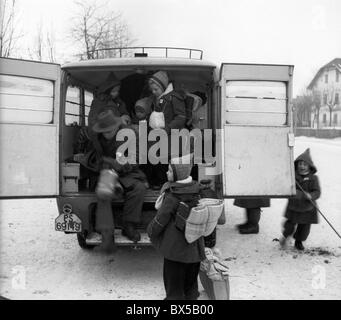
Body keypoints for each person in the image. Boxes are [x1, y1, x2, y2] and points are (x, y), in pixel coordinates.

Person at [147, 155, 205, 300]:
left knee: (174, 289)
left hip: (175, 251)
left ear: (178, 174)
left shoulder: (172, 196)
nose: (167, 173)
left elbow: (161, 220)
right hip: (194, 249)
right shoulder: (198, 190)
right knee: (191, 285)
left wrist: (151, 231)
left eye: (170, 171)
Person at [91, 109, 147, 251]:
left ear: (117, 127)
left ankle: (128, 225)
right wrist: (106, 164)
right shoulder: (96, 139)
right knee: (104, 191)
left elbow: (137, 158)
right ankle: (106, 234)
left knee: (139, 188)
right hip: (106, 171)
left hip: (127, 172)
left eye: (109, 131)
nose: (106, 135)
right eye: (104, 132)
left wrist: (120, 165)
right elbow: (93, 159)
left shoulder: (130, 134)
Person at [148, 70, 187, 189]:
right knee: (158, 159)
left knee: (168, 160)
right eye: (152, 90)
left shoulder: (173, 97)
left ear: (163, 87)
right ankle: (161, 183)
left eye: (156, 89)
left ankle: (170, 185)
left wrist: (167, 129)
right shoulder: (160, 98)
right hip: (160, 135)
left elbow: (181, 117)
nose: (154, 92)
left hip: (171, 135)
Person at [280, 148, 321, 251]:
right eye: (300, 164)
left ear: (309, 166)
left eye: (304, 164)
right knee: (289, 225)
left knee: (304, 228)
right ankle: (285, 236)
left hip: (308, 208)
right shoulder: (292, 177)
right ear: (296, 165)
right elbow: (286, 187)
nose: (302, 166)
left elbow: (317, 192)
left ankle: (299, 241)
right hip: (294, 206)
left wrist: (311, 195)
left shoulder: (313, 179)